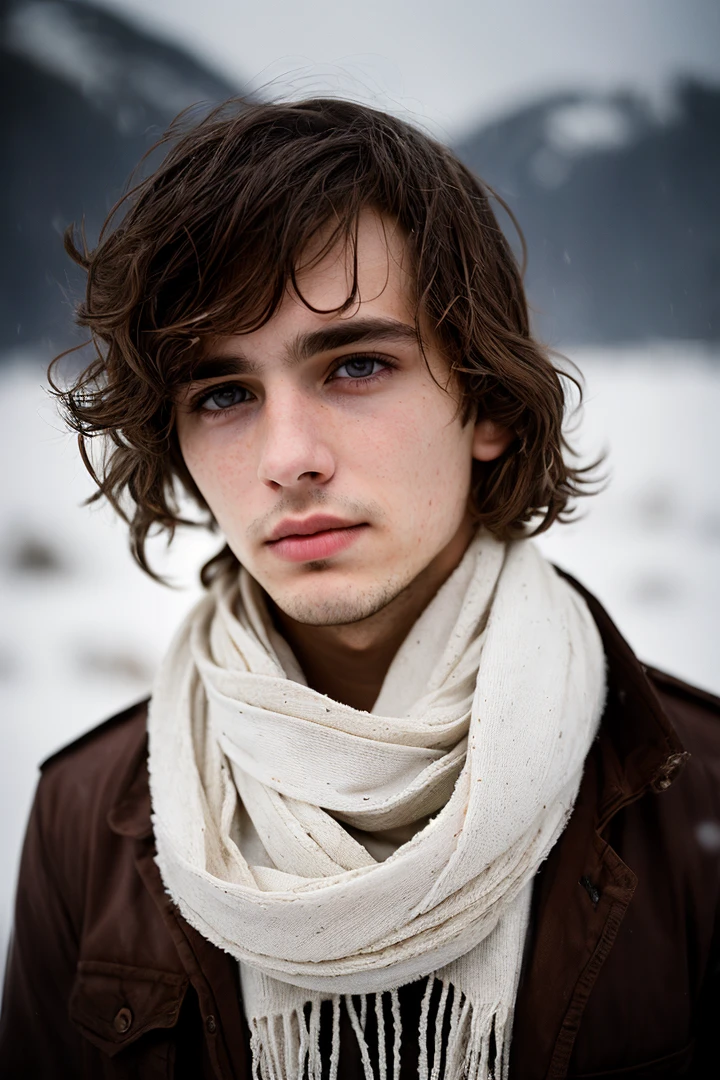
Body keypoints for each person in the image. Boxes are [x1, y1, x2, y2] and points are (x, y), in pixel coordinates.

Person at [0, 98, 718, 1080]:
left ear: (489, 405)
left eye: (357, 365)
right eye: (223, 393)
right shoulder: (85, 815)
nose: (289, 458)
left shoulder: (696, 793)